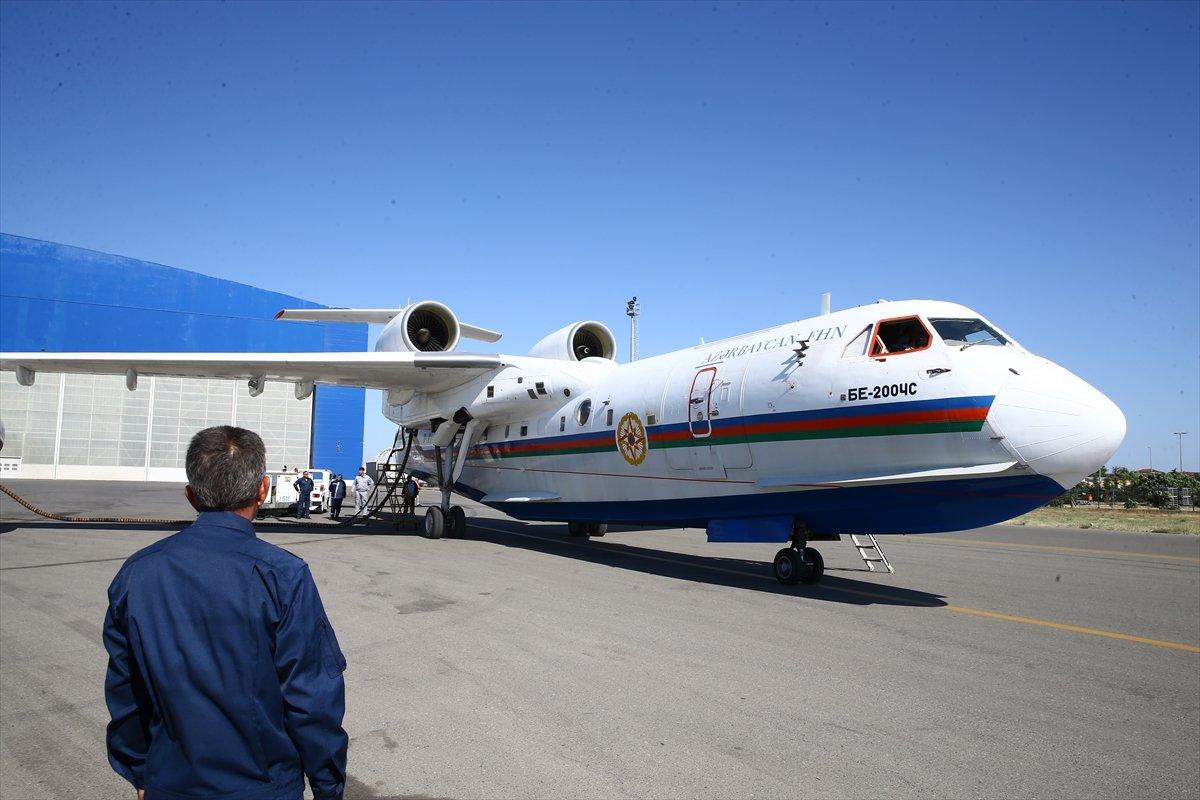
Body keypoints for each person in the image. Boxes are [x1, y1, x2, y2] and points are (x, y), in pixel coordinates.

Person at [103, 425, 347, 800]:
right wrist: (328, 786)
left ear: (190, 495)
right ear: (262, 490)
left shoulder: (137, 573)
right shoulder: (283, 575)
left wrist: (140, 770)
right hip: (263, 787)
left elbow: (127, 690)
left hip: (170, 781)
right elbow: (311, 698)